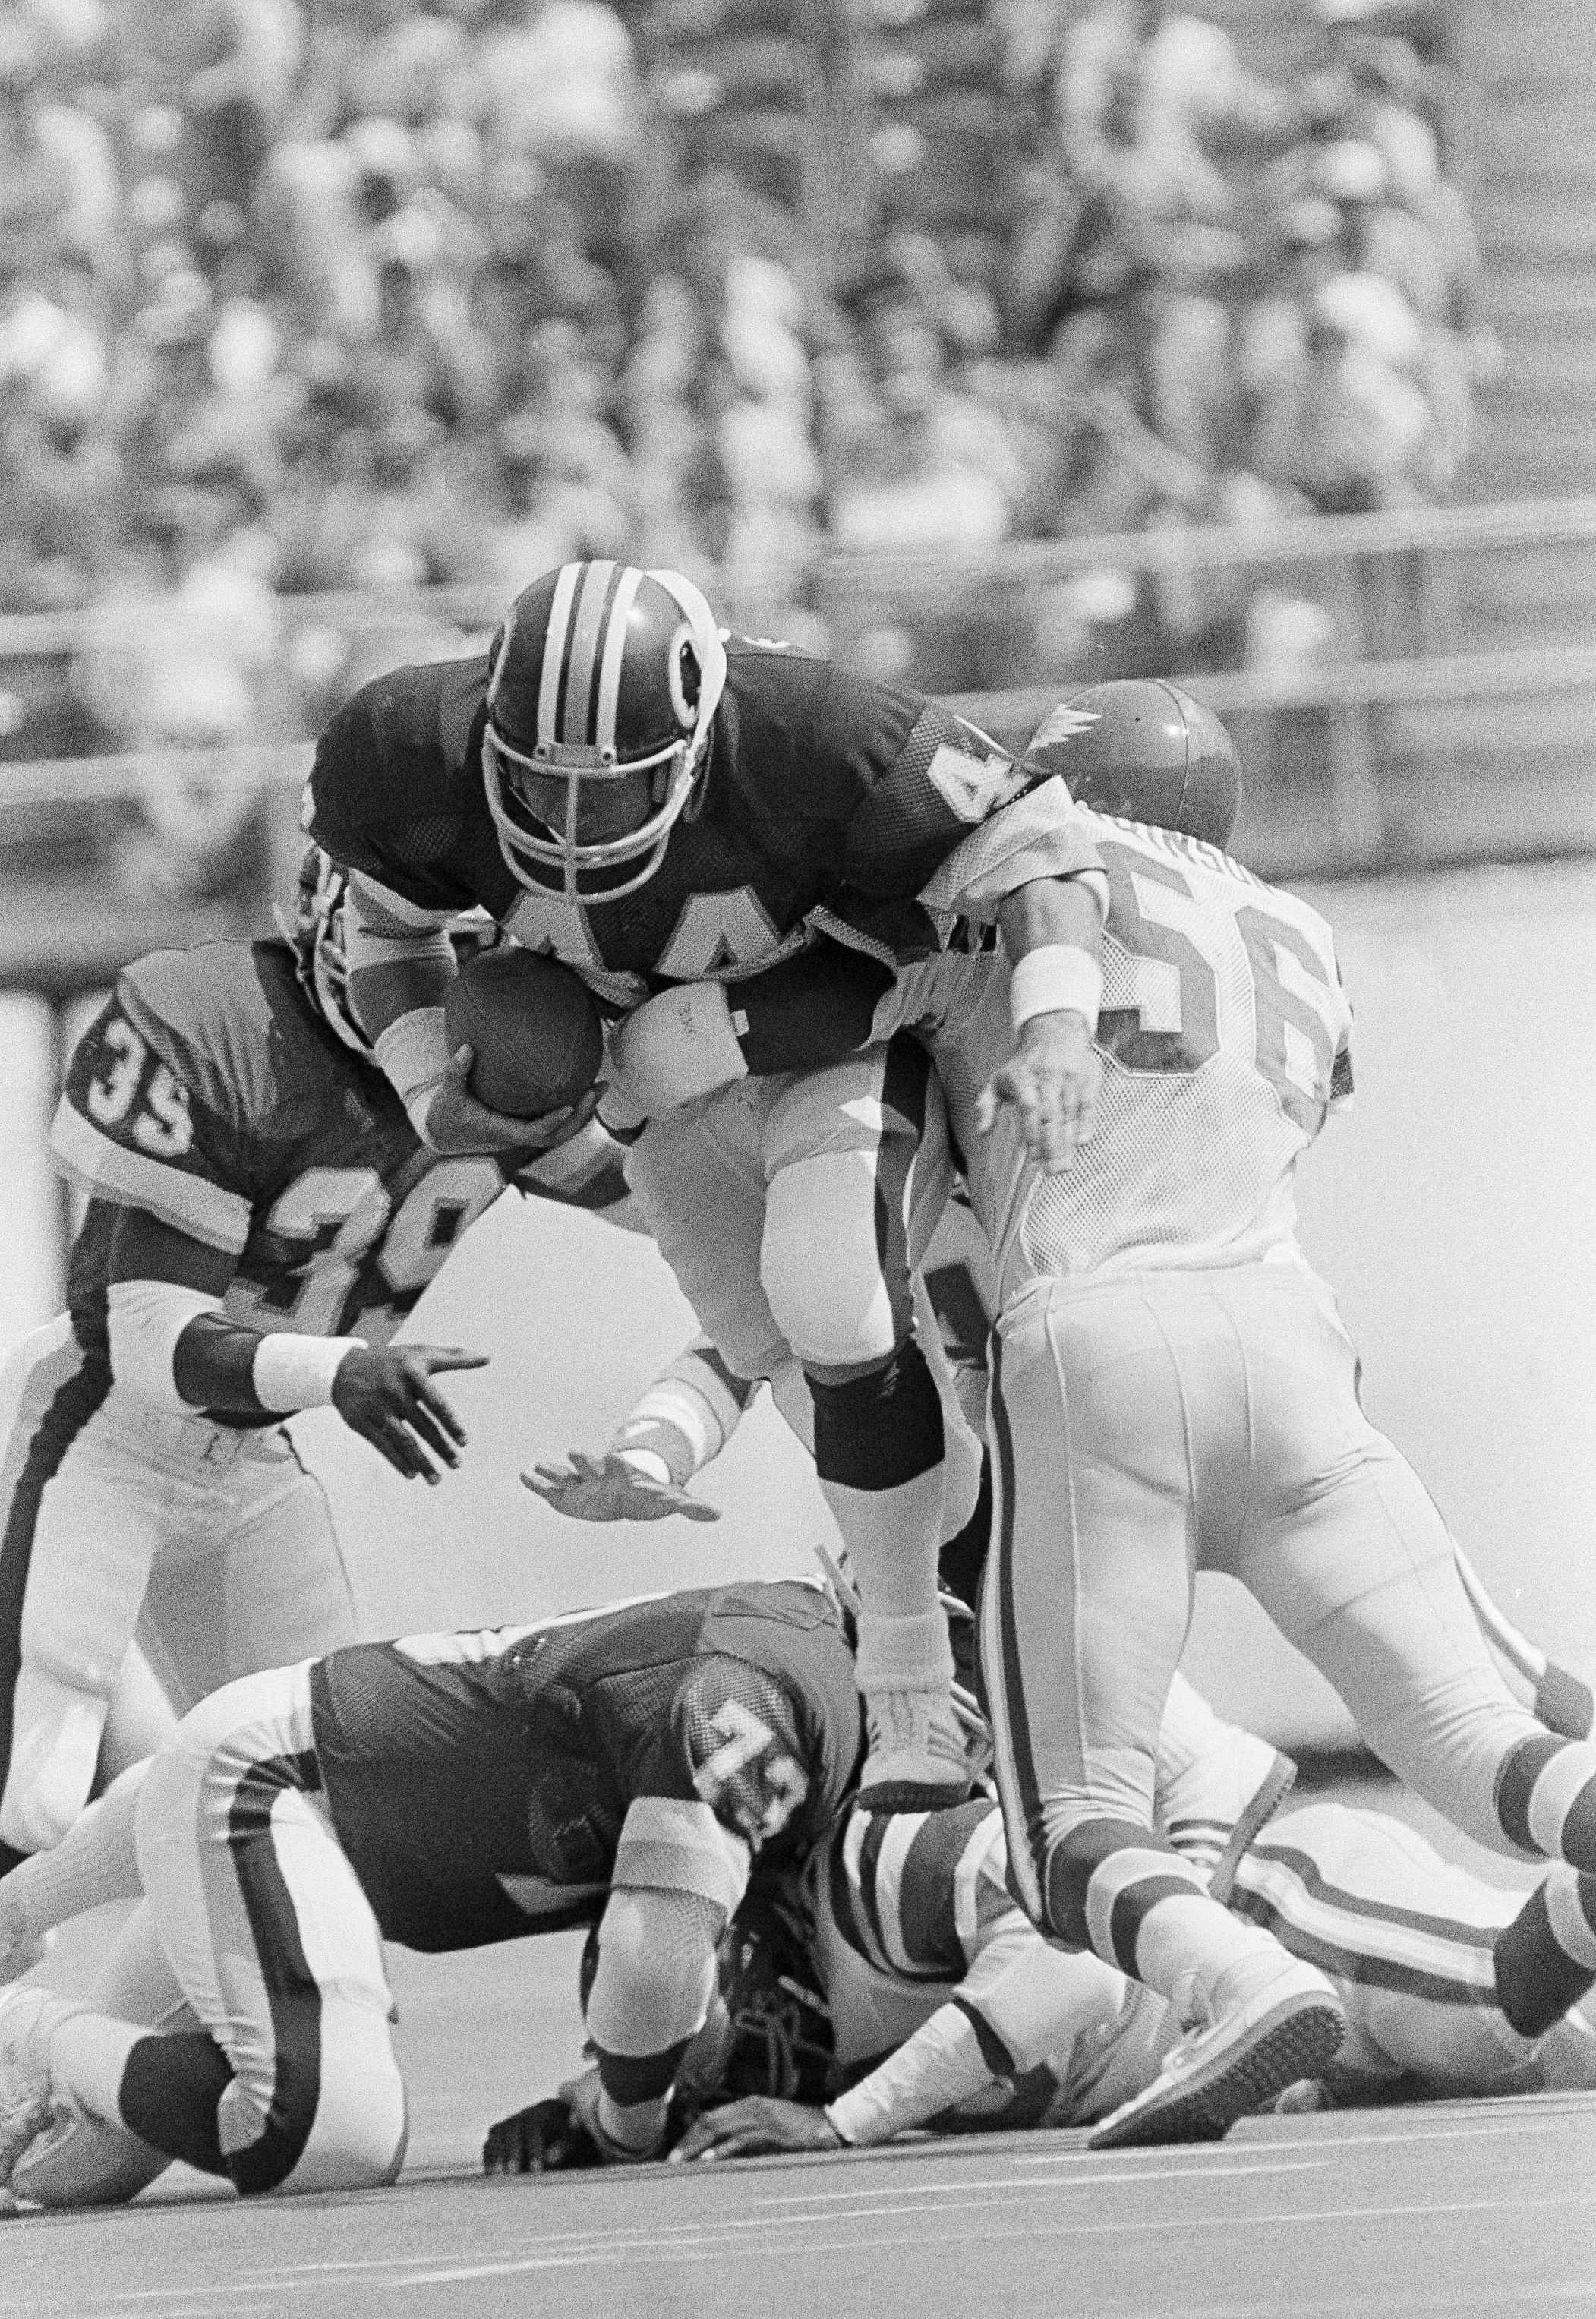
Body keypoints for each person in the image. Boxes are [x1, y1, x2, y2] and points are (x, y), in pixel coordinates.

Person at [596, 677, 1596, 2146]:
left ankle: (1240, 1986)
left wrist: (619, 1062)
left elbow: (803, 1020)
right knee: (1473, 1735)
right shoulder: (1303, 936)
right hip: (1291, 1335)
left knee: (1074, 1828)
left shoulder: (1018, 887)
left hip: (1098, 1342)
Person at [302, 557, 1109, 1806]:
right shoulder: (407, 747)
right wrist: (427, 1086)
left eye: (608, 785)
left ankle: (909, 1692)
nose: (570, 822)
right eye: (537, 780)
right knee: (878, 1436)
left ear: (694, 732)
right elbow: (390, 935)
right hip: (656, 1105)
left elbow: (1036, 849)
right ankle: (960, 1635)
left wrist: (1056, 1023)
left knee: (837, 1298)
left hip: (834, 1034)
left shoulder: (817, 735)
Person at [0, 844, 632, 1894]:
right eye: (408, 934)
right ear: (326, 910)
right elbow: (150, 1336)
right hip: (98, 1425)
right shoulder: (224, 1023)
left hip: (249, 1459)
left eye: (465, 942)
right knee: (37, 1786)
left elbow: (668, 1206)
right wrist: (334, 1369)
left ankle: (170, 2041)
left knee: (315, 1796)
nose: (435, 975)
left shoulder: (498, 1062)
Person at [0, 1579, 875, 2198]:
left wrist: (23, 1907)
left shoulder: (792, 1663)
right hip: (277, 1798)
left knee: (75, 2171)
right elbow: (649, 1963)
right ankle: (18, 2028)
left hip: (284, 1824)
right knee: (327, 2138)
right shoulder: (763, 1693)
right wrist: (625, 2126)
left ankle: (30, 2051)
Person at [667, 1759, 1596, 2161]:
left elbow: (1074, 1972)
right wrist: (570, 2127)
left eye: (717, 2022)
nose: (743, 2059)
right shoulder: (789, 2074)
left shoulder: (873, 1863)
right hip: (1294, 2062)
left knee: (1485, 2006)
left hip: (1277, 1917)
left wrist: (845, 2121)